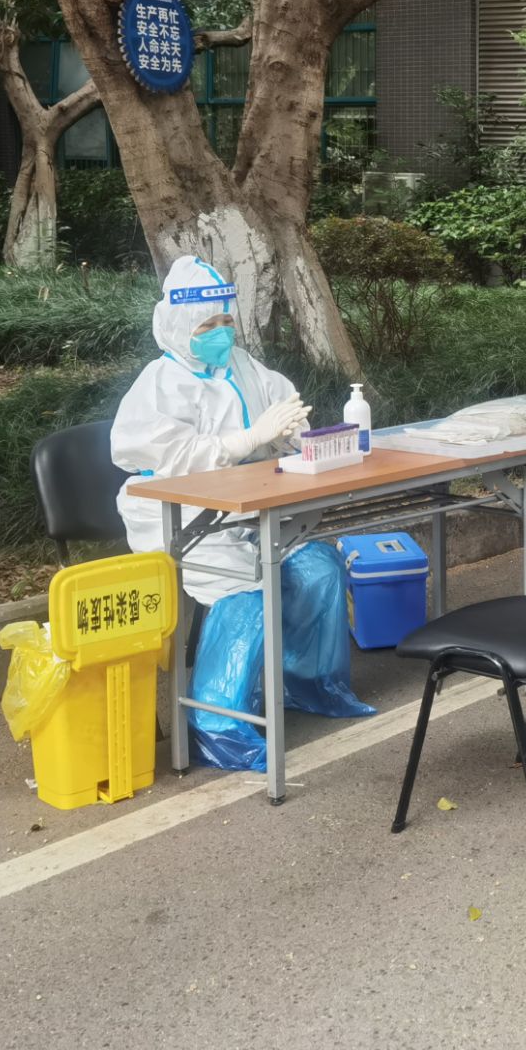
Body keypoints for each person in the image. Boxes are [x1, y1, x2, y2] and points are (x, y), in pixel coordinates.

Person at [111, 255, 373, 770]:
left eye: (226, 320)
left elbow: (283, 410)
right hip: (180, 516)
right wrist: (248, 439)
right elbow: (170, 459)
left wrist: (292, 432)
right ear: (179, 328)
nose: (221, 332)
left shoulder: (245, 366)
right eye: (207, 325)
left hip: (252, 506)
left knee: (319, 567)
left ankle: (309, 684)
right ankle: (217, 725)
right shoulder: (159, 384)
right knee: (248, 594)